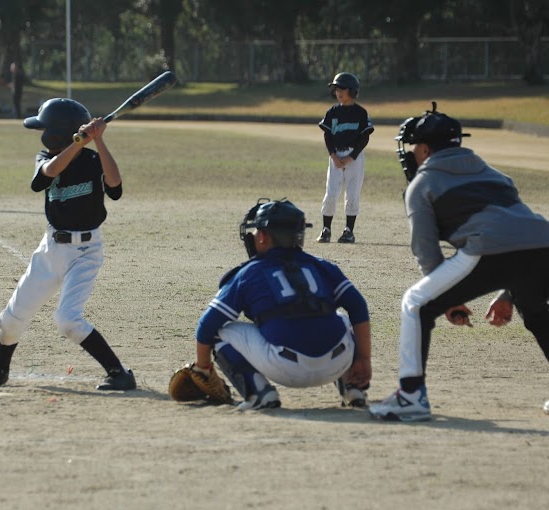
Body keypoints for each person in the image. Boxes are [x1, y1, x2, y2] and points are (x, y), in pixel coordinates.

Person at [369, 103, 549, 421]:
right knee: (536, 312)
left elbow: (427, 255)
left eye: (413, 147)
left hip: (489, 248)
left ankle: (410, 396)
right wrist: (511, 292)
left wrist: (451, 302)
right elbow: (519, 233)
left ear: (424, 149)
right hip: (543, 244)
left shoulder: (421, 185)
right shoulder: (496, 176)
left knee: (416, 303)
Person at [0, 98, 136, 391]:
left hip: (86, 251)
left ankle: (119, 373)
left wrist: (99, 142)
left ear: (56, 131)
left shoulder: (93, 160)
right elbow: (46, 175)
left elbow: (115, 186)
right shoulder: (45, 157)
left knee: (67, 320)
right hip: (51, 248)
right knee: (10, 318)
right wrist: (78, 143)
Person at [192, 198, 372, 410]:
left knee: (220, 331)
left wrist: (203, 367)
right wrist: (364, 359)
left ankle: (260, 393)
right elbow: (358, 307)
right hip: (337, 362)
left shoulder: (248, 274)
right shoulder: (322, 266)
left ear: (263, 237)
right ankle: (353, 388)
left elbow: (206, 325)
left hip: (285, 368)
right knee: (341, 318)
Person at [316, 72, 374, 244]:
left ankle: (349, 231)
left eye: (342, 89)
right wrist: (333, 156)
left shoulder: (360, 113)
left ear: (353, 91)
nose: (338, 93)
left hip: (354, 157)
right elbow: (327, 135)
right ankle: (326, 229)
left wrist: (351, 157)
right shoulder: (332, 112)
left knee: (352, 193)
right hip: (335, 156)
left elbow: (364, 137)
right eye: (336, 89)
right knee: (331, 192)